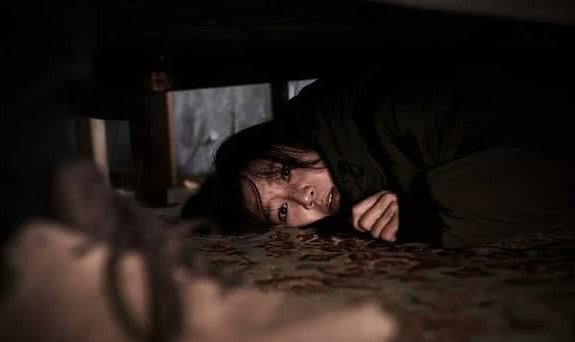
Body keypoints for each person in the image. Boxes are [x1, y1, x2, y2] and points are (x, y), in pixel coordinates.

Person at [182, 70, 575, 247]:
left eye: (286, 171)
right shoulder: (347, 202)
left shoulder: (395, 112)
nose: (304, 196)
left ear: (291, 139)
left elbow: (553, 167)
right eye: (282, 212)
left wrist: (427, 211)